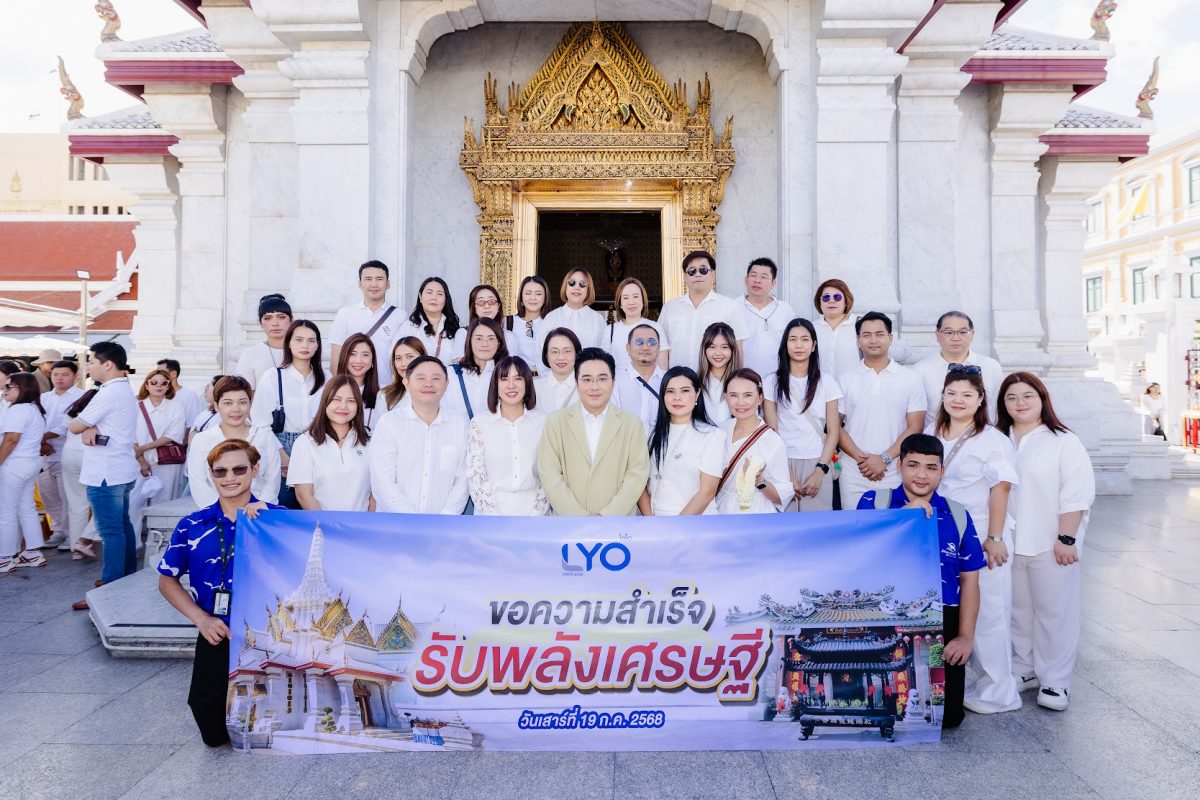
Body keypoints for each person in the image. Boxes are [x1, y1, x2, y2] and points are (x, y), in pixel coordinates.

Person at [857, 433, 985, 730]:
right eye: (913, 465)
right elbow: (861, 556)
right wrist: (903, 517)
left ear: (942, 471)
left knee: (947, 718)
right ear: (899, 465)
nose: (921, 475)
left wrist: (965, 637)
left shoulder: (957, 514)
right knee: (881, 708)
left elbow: (970, 581)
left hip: (942, 617)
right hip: (884, 618)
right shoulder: (874, 502)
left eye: (931, 467)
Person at [157, 438, 277, 747]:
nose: (229, 478)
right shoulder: (192, 525)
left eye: (239, 469)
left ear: (254, 470)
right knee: (212, 730)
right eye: (220, 471)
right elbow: (167, 580)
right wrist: (201, 619)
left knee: (272, 719)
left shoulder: (278, 519)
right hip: (218, 630)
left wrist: (275, 521)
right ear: (211, 475)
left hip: (268, 633)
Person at [998, 372, 1095, 712]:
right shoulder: (998, 439)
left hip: (1050, 542)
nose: (1020, 403)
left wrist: (1066, 538)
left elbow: (1077, 492)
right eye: (1011, 397)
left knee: (1055, 613)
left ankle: (1055, 680)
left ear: (1042, 399)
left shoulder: (1062, 440)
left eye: (1028, 396)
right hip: (1009, 542)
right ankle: (1025, 669)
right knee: (1018, 611)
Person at [930, 366, 1022, 716]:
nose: (958, 400)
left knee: (990, 613)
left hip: (983, 535)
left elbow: (1001, 488)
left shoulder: (992, 439)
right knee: (958, 610)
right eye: (952, 393)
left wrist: (994, 537)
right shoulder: (933, 431)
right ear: (942, 395)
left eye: (967, 395)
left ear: (981, 399)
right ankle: (970, 682)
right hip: (945, 535)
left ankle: (999, 691)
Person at [537, 348, 650, 516]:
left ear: (613, 381)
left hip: (617, 525)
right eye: (587, 379)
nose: (594, 386)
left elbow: (637, 475)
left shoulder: (632, 424)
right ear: (576, 382)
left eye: (602, 379)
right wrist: (579, 518)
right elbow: (549, 475)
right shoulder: (555, 422)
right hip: (569, 525)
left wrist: (606, 517)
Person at [69, 342, 140, 598]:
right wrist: (90, 426)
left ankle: (111, 587)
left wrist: (87, 426)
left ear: (107, 364)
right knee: (122, 526)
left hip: (105, 473)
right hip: (120, 468)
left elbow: (74, 426)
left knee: (111, 531)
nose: (89, 367)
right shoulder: (123, 389)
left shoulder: (108, 393)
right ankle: (126, 577)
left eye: (91, 362)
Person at [837, 312, 926, 510]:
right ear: (858, 340)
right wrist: (862, 460)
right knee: (855, 525)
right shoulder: (845, 379)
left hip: (895, 469)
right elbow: (835, 426)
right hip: (854, 470)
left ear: (890, 338)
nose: (873, 340)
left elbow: (915, 426)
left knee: (894, 525)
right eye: (866, 335)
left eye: (879, 334)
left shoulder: (910, 378)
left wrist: (884, 459)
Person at [369, 356, 470, 513]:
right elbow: (382, 482)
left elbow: (463, 481)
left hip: (444, 524)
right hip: (396, 523)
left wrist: (445, 518)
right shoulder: (389, 424)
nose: (428, 384)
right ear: (406, 382)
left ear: (446, 384)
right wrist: (412, 522)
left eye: (436, 378)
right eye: (421, 378)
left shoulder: (459, 425)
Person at [763, 318, 842, 512]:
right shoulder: (771, 382)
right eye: (793, 339)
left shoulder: (827, 382)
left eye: (805, 339)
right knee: (783, 525)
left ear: (813, 345)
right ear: (785, 344)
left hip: (817, 459)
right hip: (782, 461)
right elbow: (772, 432)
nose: (799, 345)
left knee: (817, 526)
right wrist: (786, 474)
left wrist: (819, 471)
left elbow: (833, 432)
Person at [252, 319, 325, 509]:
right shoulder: (272, 376)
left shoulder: (327, 379)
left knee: (315, 507)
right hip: (282, 447)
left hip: (317, 445)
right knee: (284, 507)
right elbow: (260, 422)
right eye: (299, 339)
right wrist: (281, 455)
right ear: (289, 343)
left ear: (317, 345)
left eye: (311, 340)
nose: (305, 345)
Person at [467, 355, 549, 515]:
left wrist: (535, 514)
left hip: (535, 515)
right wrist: (494, 517)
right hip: (490, 515)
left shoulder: (543, 422)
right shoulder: (480, 423)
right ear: (495, 385)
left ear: (527, 383)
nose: (511, 386)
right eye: (504, 379)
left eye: (518, 379)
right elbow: (476, 475)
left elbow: (548, 475)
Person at [639, 366, 722, 516]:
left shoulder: (713, 435)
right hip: (655, 522)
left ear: (697, 394)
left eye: (685, 391)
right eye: (670, 391)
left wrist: (678, 526)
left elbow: (707, 492)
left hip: (696, 522)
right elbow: (638, 481)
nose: (677, 397)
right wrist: (650, 521)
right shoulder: (649, 431)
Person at [188, 377, 281, 507]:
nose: (236, 409)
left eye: (242, 402)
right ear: (216, 406)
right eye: (228, 403)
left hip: (259, 512)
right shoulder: (201, 440)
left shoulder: (264, 436)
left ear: (250, 404)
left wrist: (260, 507)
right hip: (217, 514)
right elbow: (198, 482)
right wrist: (221, 511)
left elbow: (273, 479)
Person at [288, 376, 373, 512]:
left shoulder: (371, 442)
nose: (343, 406)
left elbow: (376, 493)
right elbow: (303, 495)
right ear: (325, 401)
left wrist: (368, 522)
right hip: (321, 523)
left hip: (362, 523)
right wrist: (325, 523)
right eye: (336, 399)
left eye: (351, 401)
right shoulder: (305, 442)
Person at [659, 251, 747, 371]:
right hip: (678, 380)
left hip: (716, 380)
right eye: (692, 271)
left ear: (713, 274)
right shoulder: (670, 308)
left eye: (703, 270)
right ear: (685, 276)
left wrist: (736, 379)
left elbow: (737, 348)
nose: (697, 275)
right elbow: (661, 348)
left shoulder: (730, 306)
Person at [716, 369, 790, 514]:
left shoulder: (772, 440)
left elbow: (781, 497)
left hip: (755, 511)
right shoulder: (719, 431)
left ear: (760, 398)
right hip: (720, 509)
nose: (740, 402)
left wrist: (758, 480)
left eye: (748, 395)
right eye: (733, 395)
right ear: (725, 397)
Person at [913, 311, 1002, 426]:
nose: (956, 338)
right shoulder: (920, 370)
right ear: (937, 335)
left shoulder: (991, 366)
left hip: (984, 434)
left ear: (972, 334)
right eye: (948, 332)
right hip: (935, 436)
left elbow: (998, 410)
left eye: (962, 332)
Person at [130, 369, 188, 534]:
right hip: (137, 461)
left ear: (168, 386)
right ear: (147, 385)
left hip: (166, 461)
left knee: (163, 503)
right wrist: (142, 460)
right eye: (154, 382)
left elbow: (174, 435)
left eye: (163, 382)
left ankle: (159, 542)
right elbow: (129, 435)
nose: (158, 386)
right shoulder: (135, 407)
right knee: (133, 503)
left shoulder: (176, 407)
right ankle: (134, 543)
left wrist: (144, 447)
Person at [0, 373, 49, 572]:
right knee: (26, 508)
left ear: (22, 389)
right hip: (29, 463)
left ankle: (4, 557)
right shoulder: (33, 408)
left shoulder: (18, 410)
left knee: (6, 511)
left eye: (9, 387)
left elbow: (11, 439)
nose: (4, 390)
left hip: (14, 465)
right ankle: (32, 552)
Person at [37, 360, 84, 549]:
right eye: (56, 374)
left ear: (74, 376)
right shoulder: (43, 397)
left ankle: (72, 534)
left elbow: (69, 425)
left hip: (67, 453)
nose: (59, 378)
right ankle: (58, 532)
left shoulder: (81, 397)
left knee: (69, 498)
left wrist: (45, 438)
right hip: (43, 454)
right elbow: (36, 421)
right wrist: (42, 442)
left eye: (65, 375)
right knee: (49, 497)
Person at [329, 260, 400, 385]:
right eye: (368, 279)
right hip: (353, 388)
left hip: (388, 388)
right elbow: (336, 359)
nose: (374, 284)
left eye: (379, 279)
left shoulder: (400, 316)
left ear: (388, 284)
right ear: (360, 284)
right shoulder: (345, 314)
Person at [61, 389, 100, 560]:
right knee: (103, 500)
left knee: (76, 503)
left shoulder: (72, 413)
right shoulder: (100, 412)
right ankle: (86, 538)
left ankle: (76, 549)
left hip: (69, 455)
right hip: (91, 455)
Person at [740, 258, 795, 376]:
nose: (757, 280)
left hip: (778, 378)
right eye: (753, 275)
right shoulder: (734, 308)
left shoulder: (785, 310)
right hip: (742, 378)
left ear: (773, 283)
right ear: (746, 280)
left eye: (764, 277)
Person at [446, 318, 508, 420]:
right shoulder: (452, 374)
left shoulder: (506, 375)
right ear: (469, 341)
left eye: (491, 339)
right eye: (479, 338)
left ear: (499, 343)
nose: (485, 344)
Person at [605, 277, 669, 371]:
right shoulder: (610, 330)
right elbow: (605, 365)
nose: (631, 302)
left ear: (643, 300)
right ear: (620, 304)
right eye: (626, 298)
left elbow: (663, 368)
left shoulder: (656, 327)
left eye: (635, 296)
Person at [395, 276, 463, 364]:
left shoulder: (456, 328)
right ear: (420, 297)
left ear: (446, 299)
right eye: (429, 292)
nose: (434, 297)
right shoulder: (408, 327)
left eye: (439, 294)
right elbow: (396, 358)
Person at [613, 323, 665, 437]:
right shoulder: (615, 380)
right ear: (628, 348)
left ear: (659, 348)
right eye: (639, 342)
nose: (645, 347)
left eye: (652, 342)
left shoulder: (669, 380)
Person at [235, 293, 292, 390]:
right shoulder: (250, 354)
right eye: (267, 318)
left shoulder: (303, 351)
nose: (275, 323)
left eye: (281, 317)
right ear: (261, 323)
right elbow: (245, 393)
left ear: (291, 319)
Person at [542, 269, 607, 349]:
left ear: (588, 289)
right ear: (565, 287)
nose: (576, 287)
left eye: (582, 284)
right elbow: (542, 351)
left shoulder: (598, 320)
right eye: (572, 283)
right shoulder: (551, 318)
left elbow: (605, 352)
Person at [456, 284, 519, 359]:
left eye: (492, 301)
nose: (486, 306)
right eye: (481, 302)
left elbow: (510, 365)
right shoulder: (463, 334)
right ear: (474, 308)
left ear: (498, 306)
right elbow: (459, 363)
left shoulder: (509, 337)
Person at [502, 275, 552, 372]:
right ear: (521, 297)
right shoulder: (506, 322)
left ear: (545, 298)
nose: (533, 298)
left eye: (538, 294)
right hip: (515, 378)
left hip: (544, 378)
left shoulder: (551, 323)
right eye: (528, 293)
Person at [334, 332, 380, 430]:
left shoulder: (383, 395)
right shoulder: (330, 389)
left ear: (372, 360)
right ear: (344, 357)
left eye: (365, 355)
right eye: (352, 354)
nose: (358, 360)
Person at [697, 322, 741, 424]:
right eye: (712, 347)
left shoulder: (743, 383)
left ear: (732, 349)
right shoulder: (695, 383)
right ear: (704, 349)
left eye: (724, 347)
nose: (718, 353)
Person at [534, 328, 581, 411]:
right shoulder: (535, 387)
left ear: (576, 354)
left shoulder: (586, 386)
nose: (561, 357)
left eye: (567, 351)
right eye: (555, 352)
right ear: (546, 356)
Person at [378, 337, 426, 413]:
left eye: (409, 357)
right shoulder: (385, 395)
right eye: (398, 358)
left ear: (423, 358)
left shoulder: (435, 390)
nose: (403, 363)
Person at [157, 359, 205, 429]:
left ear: (173, 374)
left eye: (160, 372)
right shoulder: (155, 394)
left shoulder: (188, 395)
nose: (157, 375)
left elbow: (193, 425)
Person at [188, 375, 222, 443]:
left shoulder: (222, 416)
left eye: (208, 387)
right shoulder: (207, 412)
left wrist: (196, 433)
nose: (205, 390)